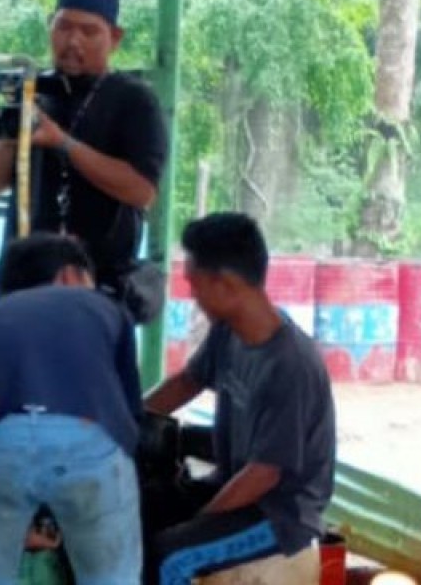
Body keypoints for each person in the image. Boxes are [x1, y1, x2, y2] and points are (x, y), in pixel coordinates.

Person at [0, 232, 144, 584]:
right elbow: (129, 409)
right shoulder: (104, 309)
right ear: (70, 275)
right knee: (114, 577)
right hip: (90, 437)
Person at [142, 213, 336, 584]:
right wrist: (130, 418)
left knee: (170, 557)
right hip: (234, 484)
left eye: (195, 284)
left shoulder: (290, 364)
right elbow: (187, 381)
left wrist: (199, 522)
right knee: (143, 505)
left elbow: (263, 475)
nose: (192, 295)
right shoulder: (228, 332)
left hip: (278, 514)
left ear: (226, 284)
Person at [0, 0, 169, 310]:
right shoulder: (31, 90)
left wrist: (63, 143)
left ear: (115, 38)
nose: (73, 41)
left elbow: (142, 191)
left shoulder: (133, 99)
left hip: (96, 286)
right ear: (50, 26)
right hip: (22, 283)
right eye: (63, 27)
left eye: (89, 31)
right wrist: (10, 140)